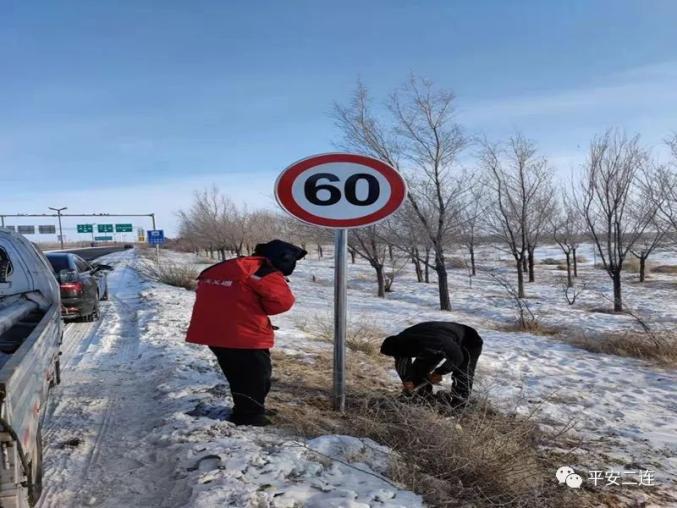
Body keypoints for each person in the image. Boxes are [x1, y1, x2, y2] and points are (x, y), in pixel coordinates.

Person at [186, 239, 307, 426]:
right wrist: (259, 307)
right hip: (244, 334)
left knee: (237, 375)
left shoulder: (229, 265)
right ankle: (250, 416)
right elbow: (283, 302)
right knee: (256, 376)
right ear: (284, 258)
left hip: (211, 331)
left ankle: (250, 408)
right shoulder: (262, 271)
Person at [380, 321, 483, 408]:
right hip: (438, 337)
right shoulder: (401, 341)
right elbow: (401, 360)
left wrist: (439, 372)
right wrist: (407, 380)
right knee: (418, 370)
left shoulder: (435, 342)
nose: (398, 356)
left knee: (461, 374)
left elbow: (457, 358)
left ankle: (459, 406)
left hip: (468, 340)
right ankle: (422, 398)